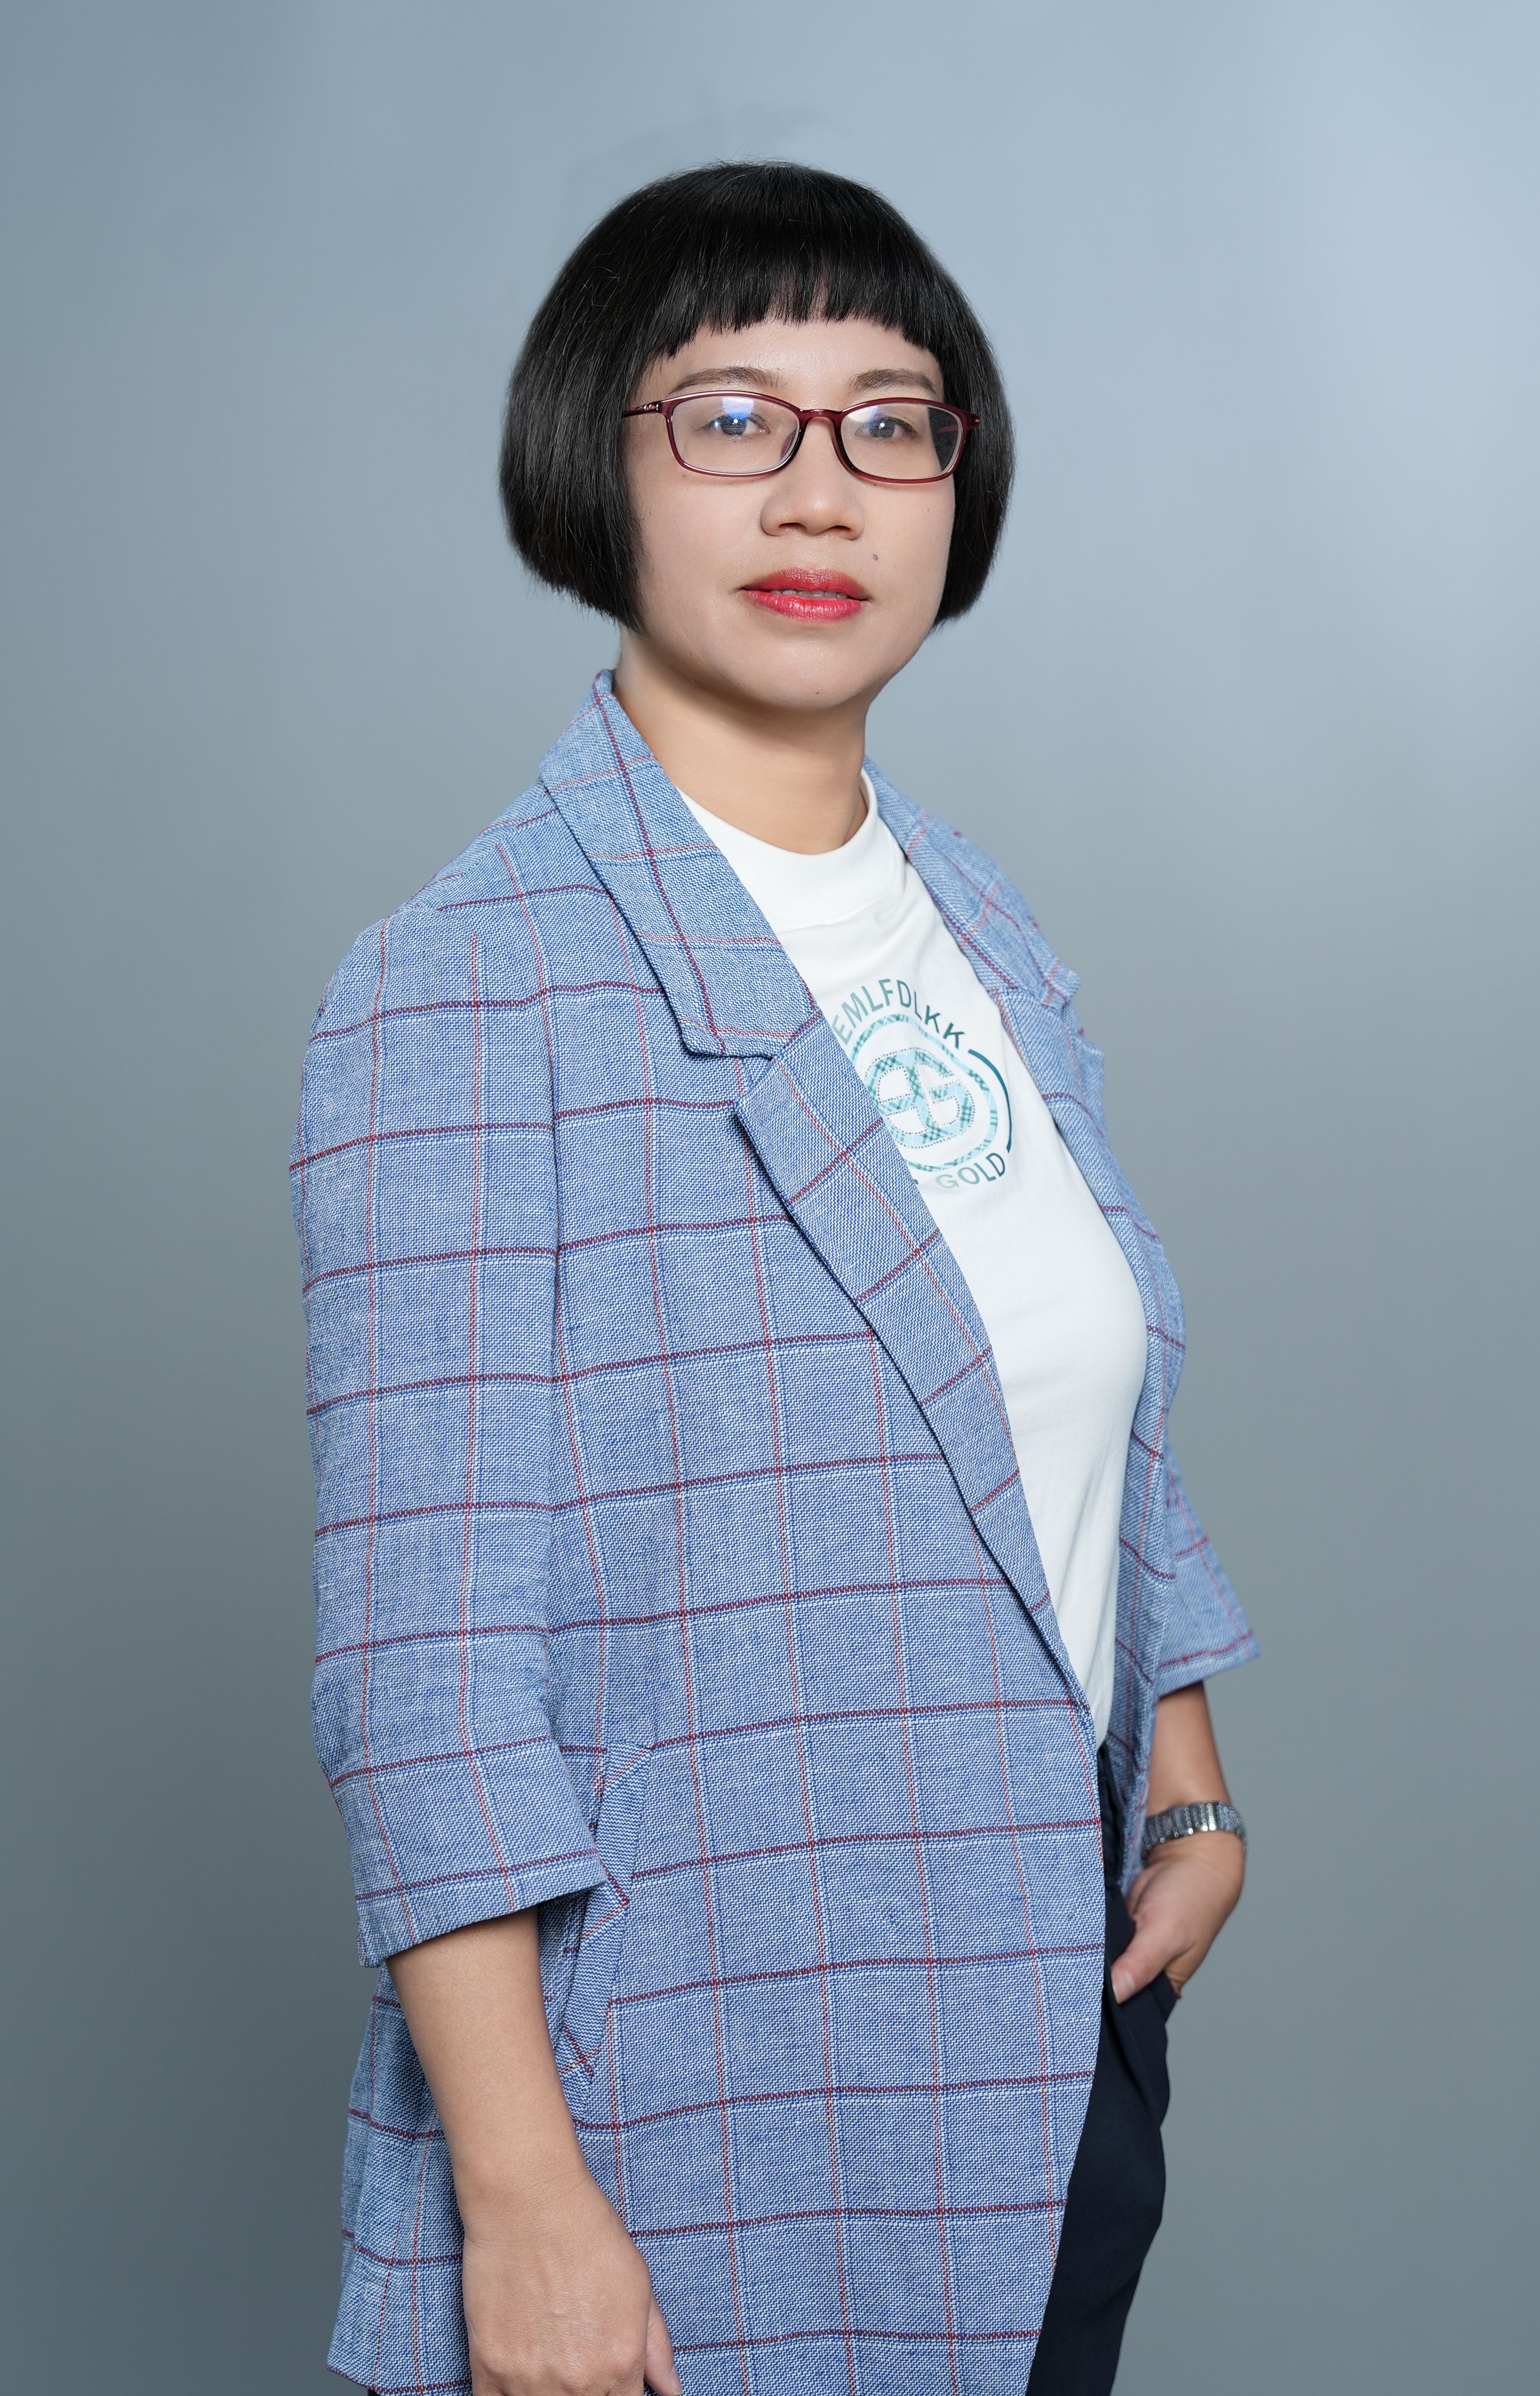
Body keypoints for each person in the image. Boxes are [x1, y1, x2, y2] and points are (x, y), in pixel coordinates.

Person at [292, 161, 1256, 2396]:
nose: (819, 490)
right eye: (731, 417)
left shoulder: (978, 919)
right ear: (596, 464)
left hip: (1048, 2062)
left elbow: (1076, 1385)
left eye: (889, 423)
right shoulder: (465, 989)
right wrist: (523, 2203)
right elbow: (424, 1681)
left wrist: (1189, 1778)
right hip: (682, 2122)